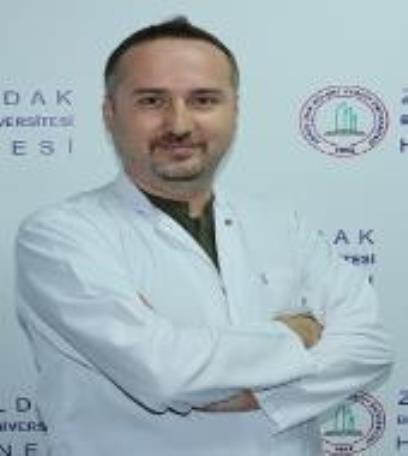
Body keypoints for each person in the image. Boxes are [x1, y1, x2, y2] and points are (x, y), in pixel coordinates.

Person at [15, 16, 393, 456]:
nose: (178, 124)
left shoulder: (282, 224)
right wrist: (300, 332)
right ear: (110, 113)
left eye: (203, 100)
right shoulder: (60, 236)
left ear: (234, 111)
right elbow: (164, 373)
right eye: (151, 100)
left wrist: (266, 396)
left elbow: (370, 346)